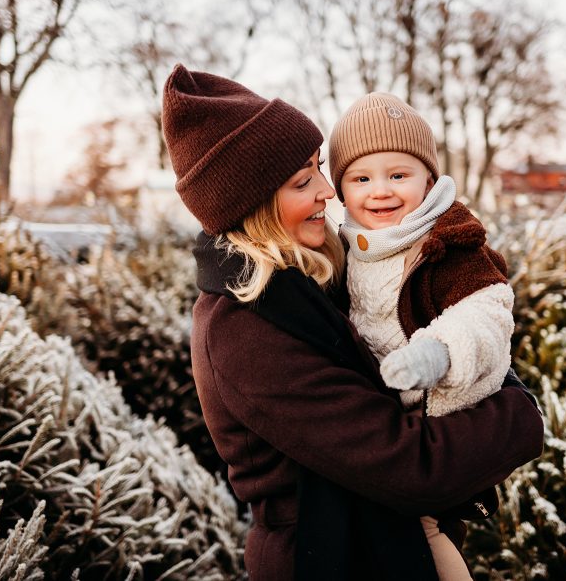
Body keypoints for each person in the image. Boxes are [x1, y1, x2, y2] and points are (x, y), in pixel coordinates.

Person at [162, 64, 544, 581]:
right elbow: (411, 465)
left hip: (381, 546)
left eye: (320, 167)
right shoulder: (244, 331)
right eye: (304, 181)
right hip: (329, 560)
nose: (328, 189)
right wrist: (521, 416)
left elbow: (457, 314)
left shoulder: (319, 274)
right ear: (255, 205)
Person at [328, 92, 517, 581]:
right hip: (393, 417)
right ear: (341, 190)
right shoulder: (350, 248)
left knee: (425, 528)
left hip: (445, 408)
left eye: (398, 175)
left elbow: (487, 312)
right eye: (361, 178)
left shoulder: (447, 242)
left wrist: (437, 353)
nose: (380, 191)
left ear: (429, 180)